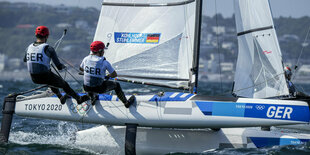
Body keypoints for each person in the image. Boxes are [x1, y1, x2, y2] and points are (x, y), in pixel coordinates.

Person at [24, 25, 88, 104]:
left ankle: (60, 97)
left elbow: (26, 59)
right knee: (64, 84)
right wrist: (63, 66)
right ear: (47, 36)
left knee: (52, 80)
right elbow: (59, 67)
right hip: (45, 76)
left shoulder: (28, 47)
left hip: (34, 78)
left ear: (36, 35)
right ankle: (78, 98)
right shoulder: (49, 48)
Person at [80, 41, 135, 107]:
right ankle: (126, 103)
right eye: (103, 50)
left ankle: (92, 97)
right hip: (98, 88)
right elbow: (114, 75)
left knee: (91, 83)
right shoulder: (104, 62)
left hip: (86, 87)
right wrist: (108, 75)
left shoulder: (86, 59)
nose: (103, 52)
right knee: (116, 85)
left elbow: (81, 68)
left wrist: (89, 71)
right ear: (100, 51)